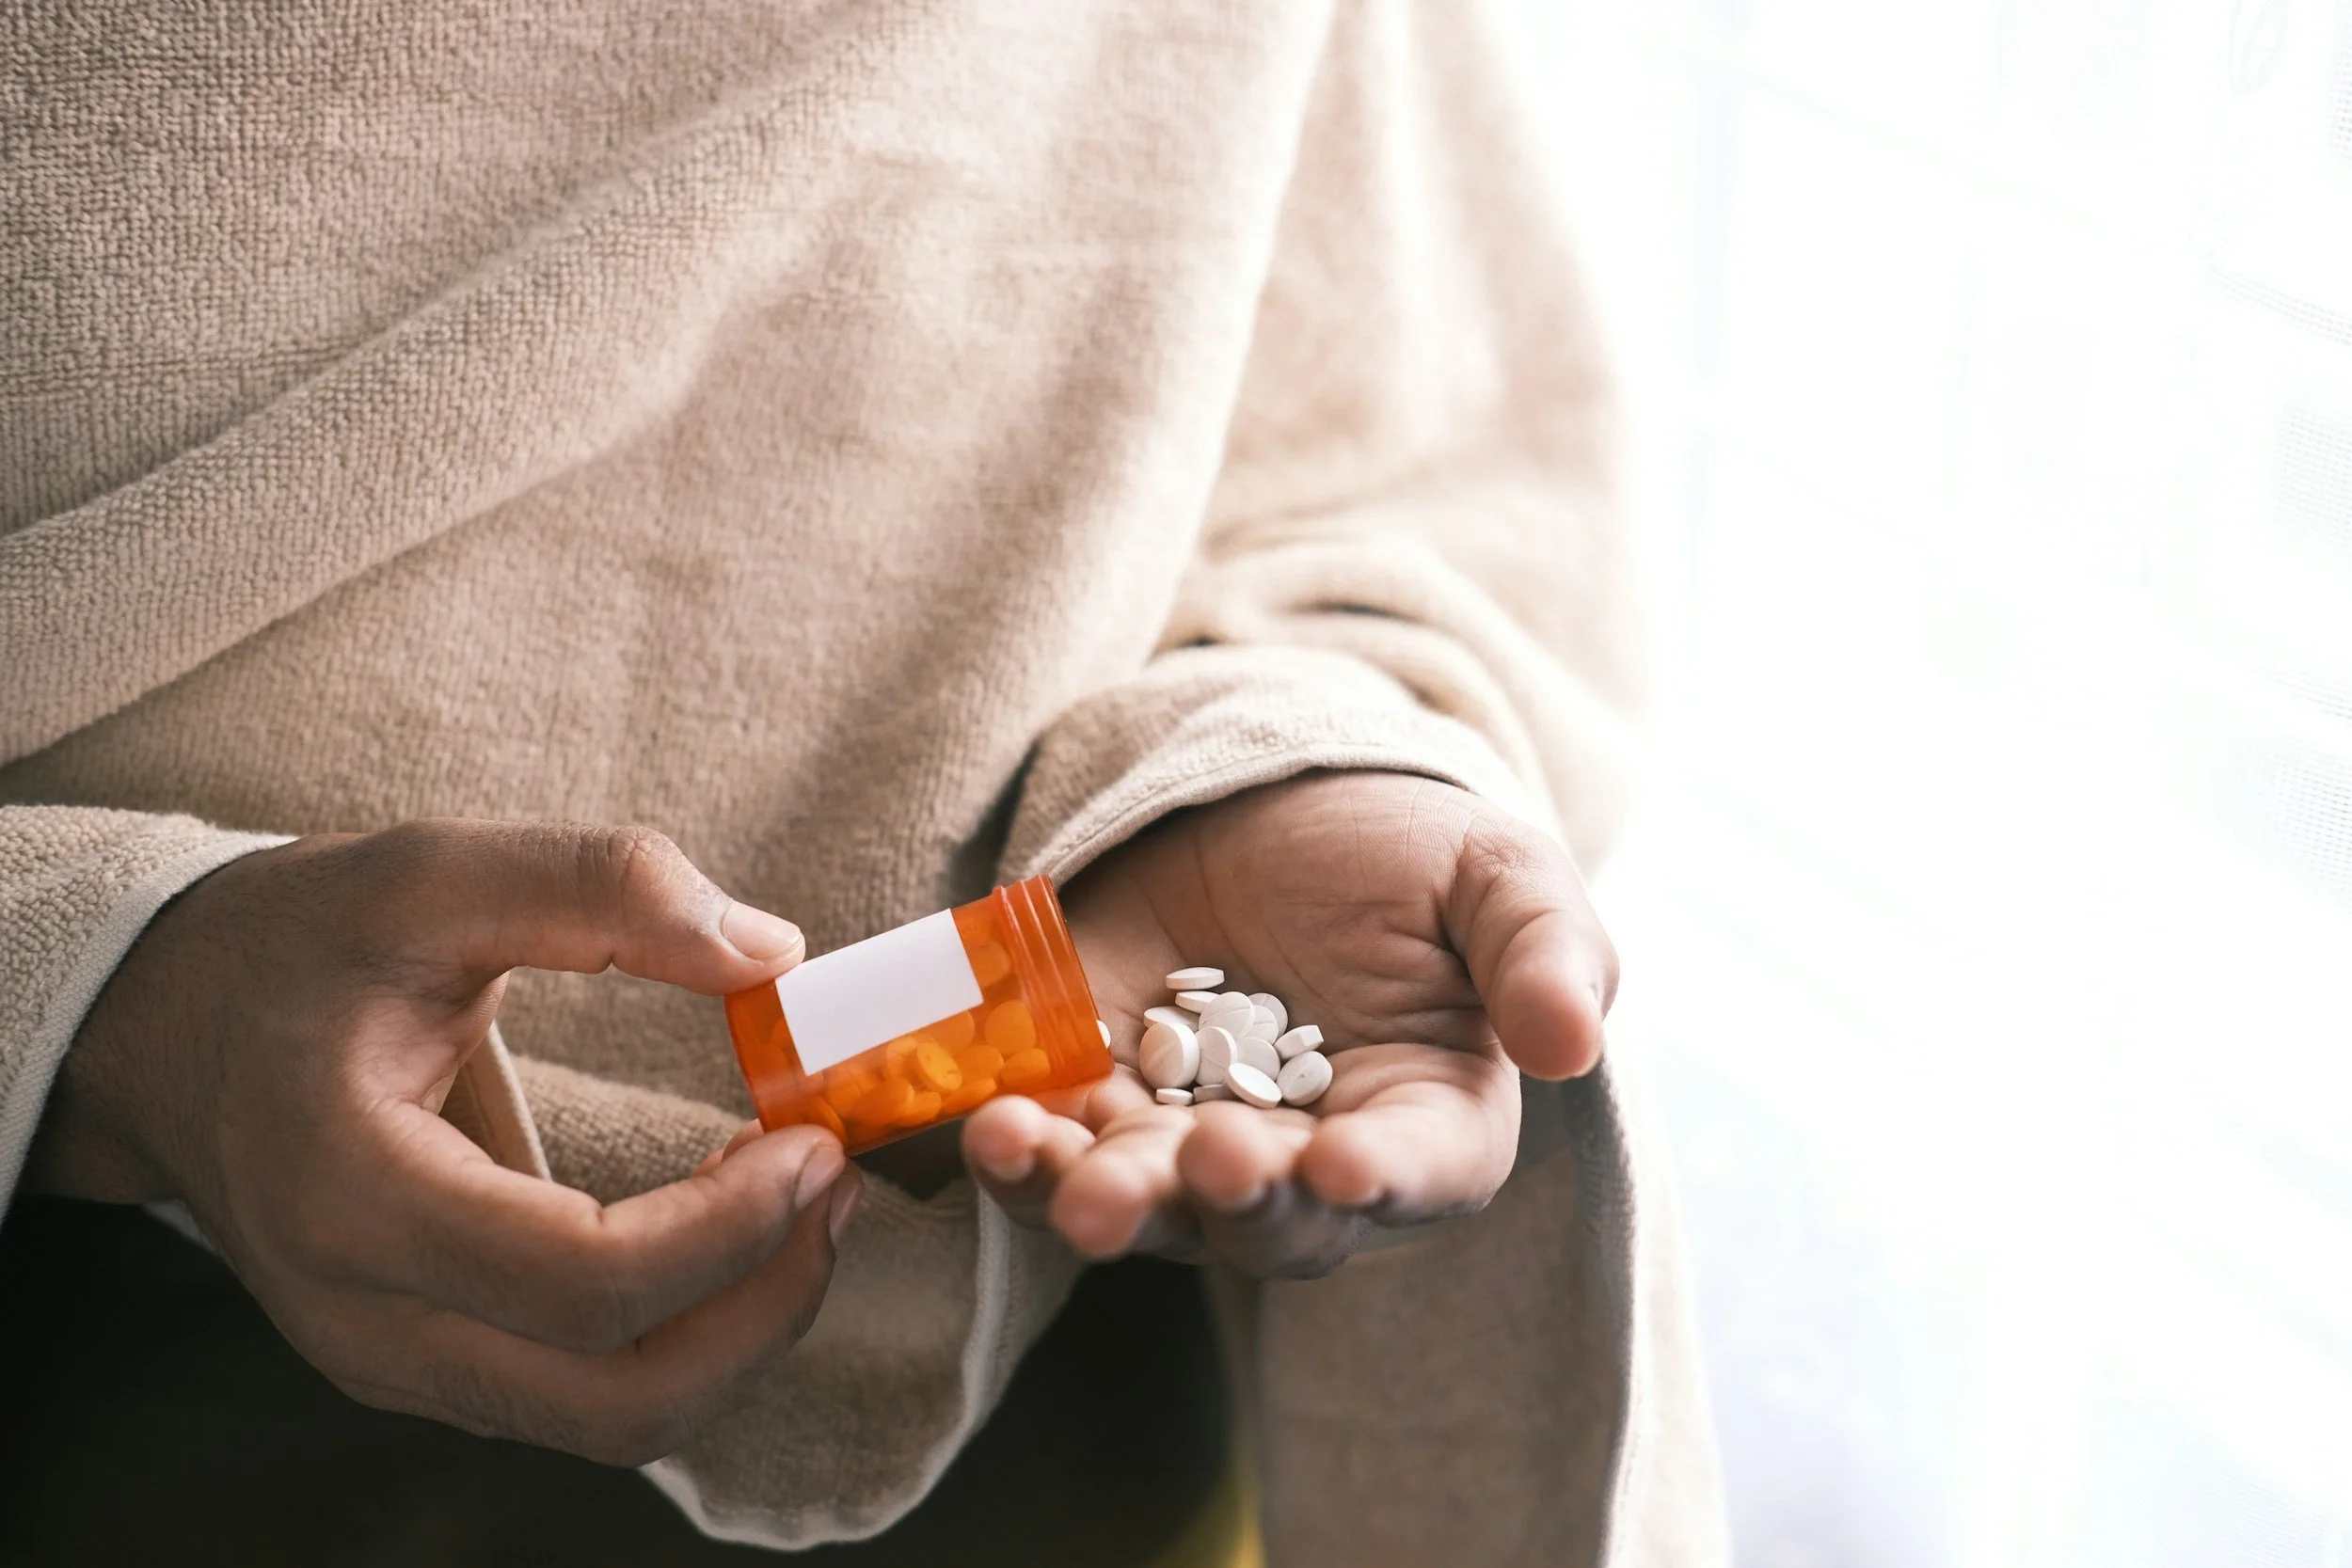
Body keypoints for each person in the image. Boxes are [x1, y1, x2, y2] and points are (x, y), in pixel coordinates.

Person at [0, 0, 1724, 1562]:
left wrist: (1263, 773)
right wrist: (103, 992)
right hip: (113, 1384)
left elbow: (1413, 474)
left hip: (1053, 1360)